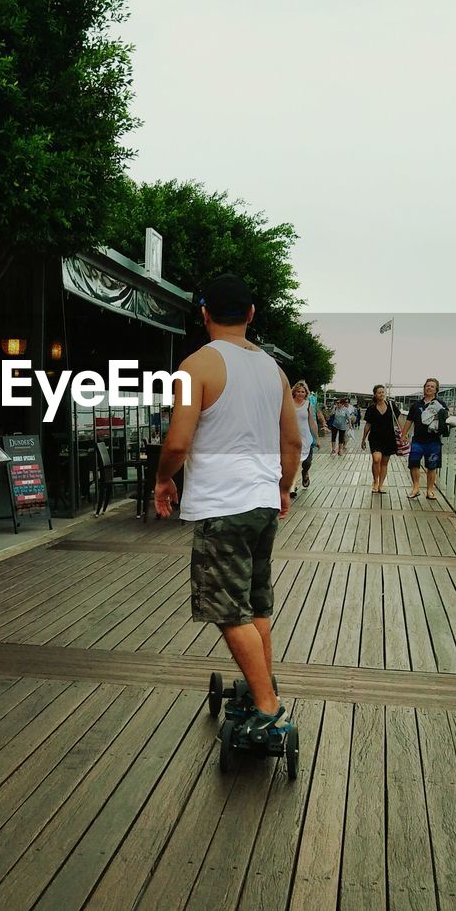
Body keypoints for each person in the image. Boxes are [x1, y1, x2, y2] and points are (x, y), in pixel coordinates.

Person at [153, 274, 301, 740]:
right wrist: (283, 487)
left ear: (204, 314)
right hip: (260, 503)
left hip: (222, 506)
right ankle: (264, 685)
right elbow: (293, 441)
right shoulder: (274, 371)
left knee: (227, 609)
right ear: (252, 314)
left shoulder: (196, 366)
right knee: (256, 600)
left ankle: (267, 703)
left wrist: (162, 480)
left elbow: (178, 442)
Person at [401, 377, 450, 499]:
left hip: (433, 441)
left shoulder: (440, 404)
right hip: (418, 440)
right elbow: (409, 420)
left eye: (432, 386)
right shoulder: (416, 405)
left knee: (432, 466)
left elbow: (447, 415)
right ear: (424, 388)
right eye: (427, 386)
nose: (429, 388)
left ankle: (429, 490)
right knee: (413, 464)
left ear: (436, 390)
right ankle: (416, 488)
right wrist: (403, 434)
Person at [361, 384, 401, 493]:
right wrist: (363, 439)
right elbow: (368, 425)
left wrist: (403, 434)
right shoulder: (371, 408)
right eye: (379, 392)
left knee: (384, 462)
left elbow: (398, 420)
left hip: (389, 437)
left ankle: (381, 484)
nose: (382, 394)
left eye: (383, 392)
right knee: (376, 459)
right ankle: (375, 481)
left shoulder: (392, 405)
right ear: (375, 394)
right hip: (375, 437)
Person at [290, 381, 320, 494]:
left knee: (306, 463)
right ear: (294, 392)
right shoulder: (289, 403)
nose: (300, 394)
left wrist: (316, 438)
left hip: (306, 438)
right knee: (295, 462)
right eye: (298, 391)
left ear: (306, 393)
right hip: (293, 437)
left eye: (303, 392)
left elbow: (312, 422)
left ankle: (305, 473)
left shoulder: (308, 404)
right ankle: (292, 487)